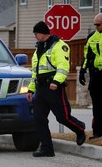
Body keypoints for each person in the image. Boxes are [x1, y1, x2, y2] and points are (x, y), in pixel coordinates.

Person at [27, 21, 86, 157]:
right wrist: (31, 89)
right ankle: (47, 148)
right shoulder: (38, 48)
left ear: (43, 33)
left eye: (36, 33)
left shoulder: (59, 46)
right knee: (39, 119)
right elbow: (35, 72)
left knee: (62, 117)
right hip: (41, 89)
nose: (35, 36)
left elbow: (63, 66)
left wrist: (56, 81)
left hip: (53, 87)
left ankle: (79, 129)